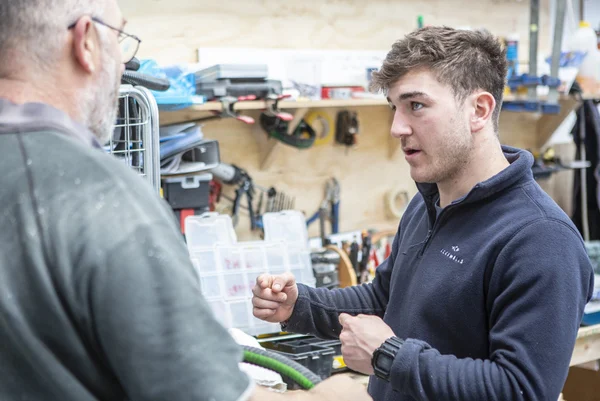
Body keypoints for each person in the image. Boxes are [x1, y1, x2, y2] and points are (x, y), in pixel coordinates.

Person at [0, 1, 373, 400]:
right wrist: (329, 396)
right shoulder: (102, 198)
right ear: (87, 41)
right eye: (120, 40)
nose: (125, 65)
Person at [253, 26, 595, 401]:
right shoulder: (427, 203)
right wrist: (299, 305)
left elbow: (522, 390)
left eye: (416, 105)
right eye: (394, 108)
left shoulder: (541, 239)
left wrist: (389, 356)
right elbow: (386, 298)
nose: (397, 127)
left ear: (479, 110)